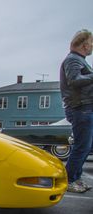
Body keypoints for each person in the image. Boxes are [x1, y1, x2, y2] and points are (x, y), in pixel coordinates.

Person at [60, 29, 93, 193]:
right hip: (81, 108)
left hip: (84, 108)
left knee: (85, 146)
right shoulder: (73, 60)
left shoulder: (78, 59)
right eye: (91, 43)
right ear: (85, 44)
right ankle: (70, 179)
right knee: (82, 146)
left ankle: (76, 178)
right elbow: (74, 80)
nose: (92, 46)